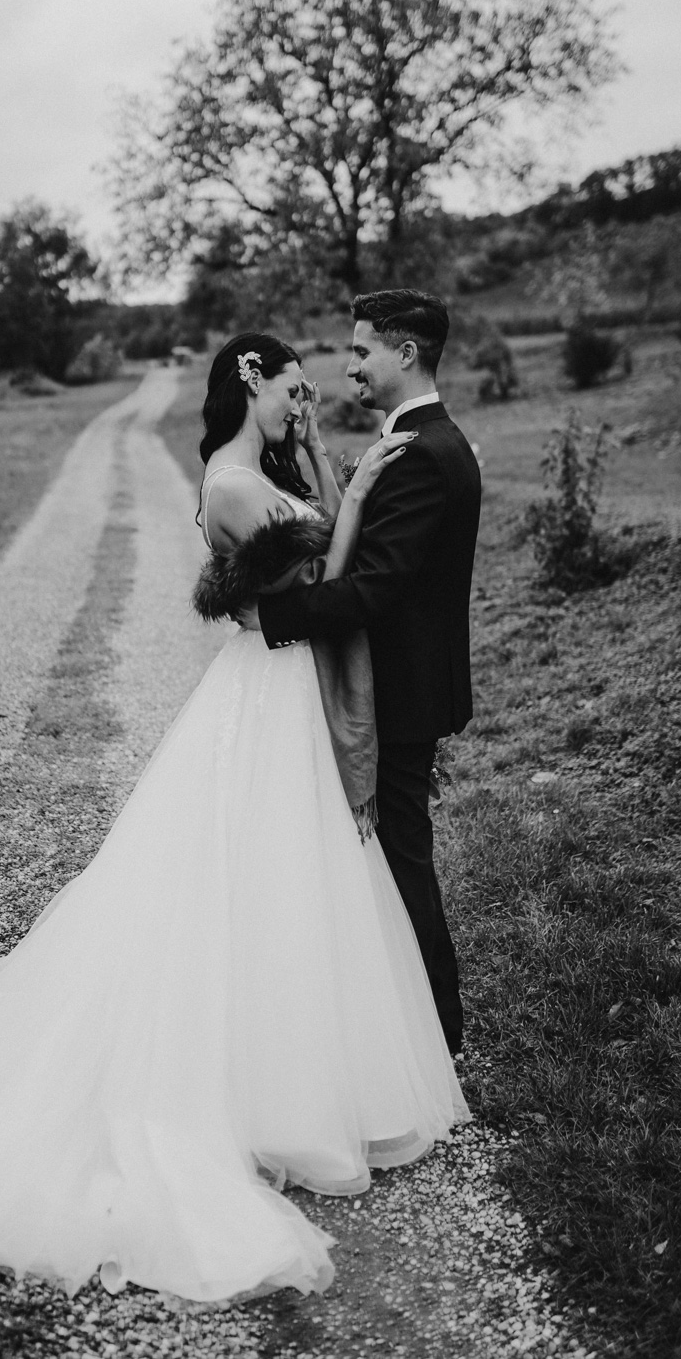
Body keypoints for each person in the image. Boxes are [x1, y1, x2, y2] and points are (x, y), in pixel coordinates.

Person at [0, 331, 468, 1304]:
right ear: (251, 378)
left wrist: (316, 466)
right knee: (255, 868)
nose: (303, 404)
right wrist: (346, 497)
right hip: (263, 695)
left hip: (286, 687)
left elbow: (303, 564)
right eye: (291, 388)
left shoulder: (257, 466)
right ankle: (244, 1086)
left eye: (312, 390)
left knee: (294, 877)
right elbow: (310, 582)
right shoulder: (228, 482)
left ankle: (311, 1064)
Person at [243, 292, 482, 1056]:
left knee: (399, 855)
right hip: (412, 679)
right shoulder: (432, 441)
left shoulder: (419, 455)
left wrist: (269, 620)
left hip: (403, 688)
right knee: (391, 849)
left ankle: (434, 1031)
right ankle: (404, 1021)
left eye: (362, 350)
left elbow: (374, 588)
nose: (349, 365)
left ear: (404, 354)